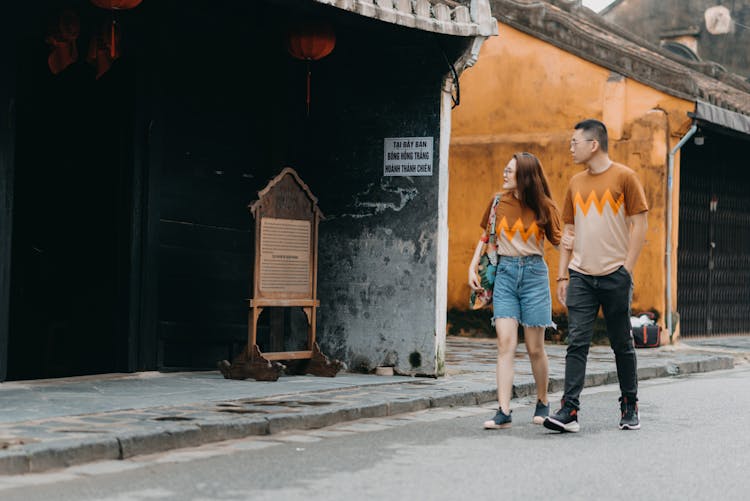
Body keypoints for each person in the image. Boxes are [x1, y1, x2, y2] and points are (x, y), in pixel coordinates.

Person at [544, 119, 648, 433]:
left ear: (594, 144)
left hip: (615, 274)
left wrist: (626, 269)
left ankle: (629, 404)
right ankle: (569, 410)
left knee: (621, 343)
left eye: (575, 142)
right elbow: (569, 232)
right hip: (581, 276)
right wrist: (562, 275)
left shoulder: (625, 177)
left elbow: (640, 224)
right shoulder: (575, 183)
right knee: (576, 342)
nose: (571, 147)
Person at [468, 152, 562, 429]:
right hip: (506, 275)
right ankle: (504, 410)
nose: (504, 175)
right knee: (505, 344)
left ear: (525, 176)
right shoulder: (498, 202)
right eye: (505, 170)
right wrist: (473, 266)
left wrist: (570, 271)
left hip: (534, 275)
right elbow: (486, 236)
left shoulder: (546, 207)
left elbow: (560, 244)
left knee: (535, 348)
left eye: (510, 171)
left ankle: (543, 401)